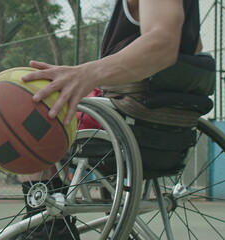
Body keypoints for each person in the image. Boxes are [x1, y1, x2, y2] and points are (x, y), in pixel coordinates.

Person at [17, 0, 208, 238]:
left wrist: (88, 72)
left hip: (125, 119)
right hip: (168, 129)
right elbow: (192, 48)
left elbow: (163, 42)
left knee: (22, 116)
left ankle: (49, 227)